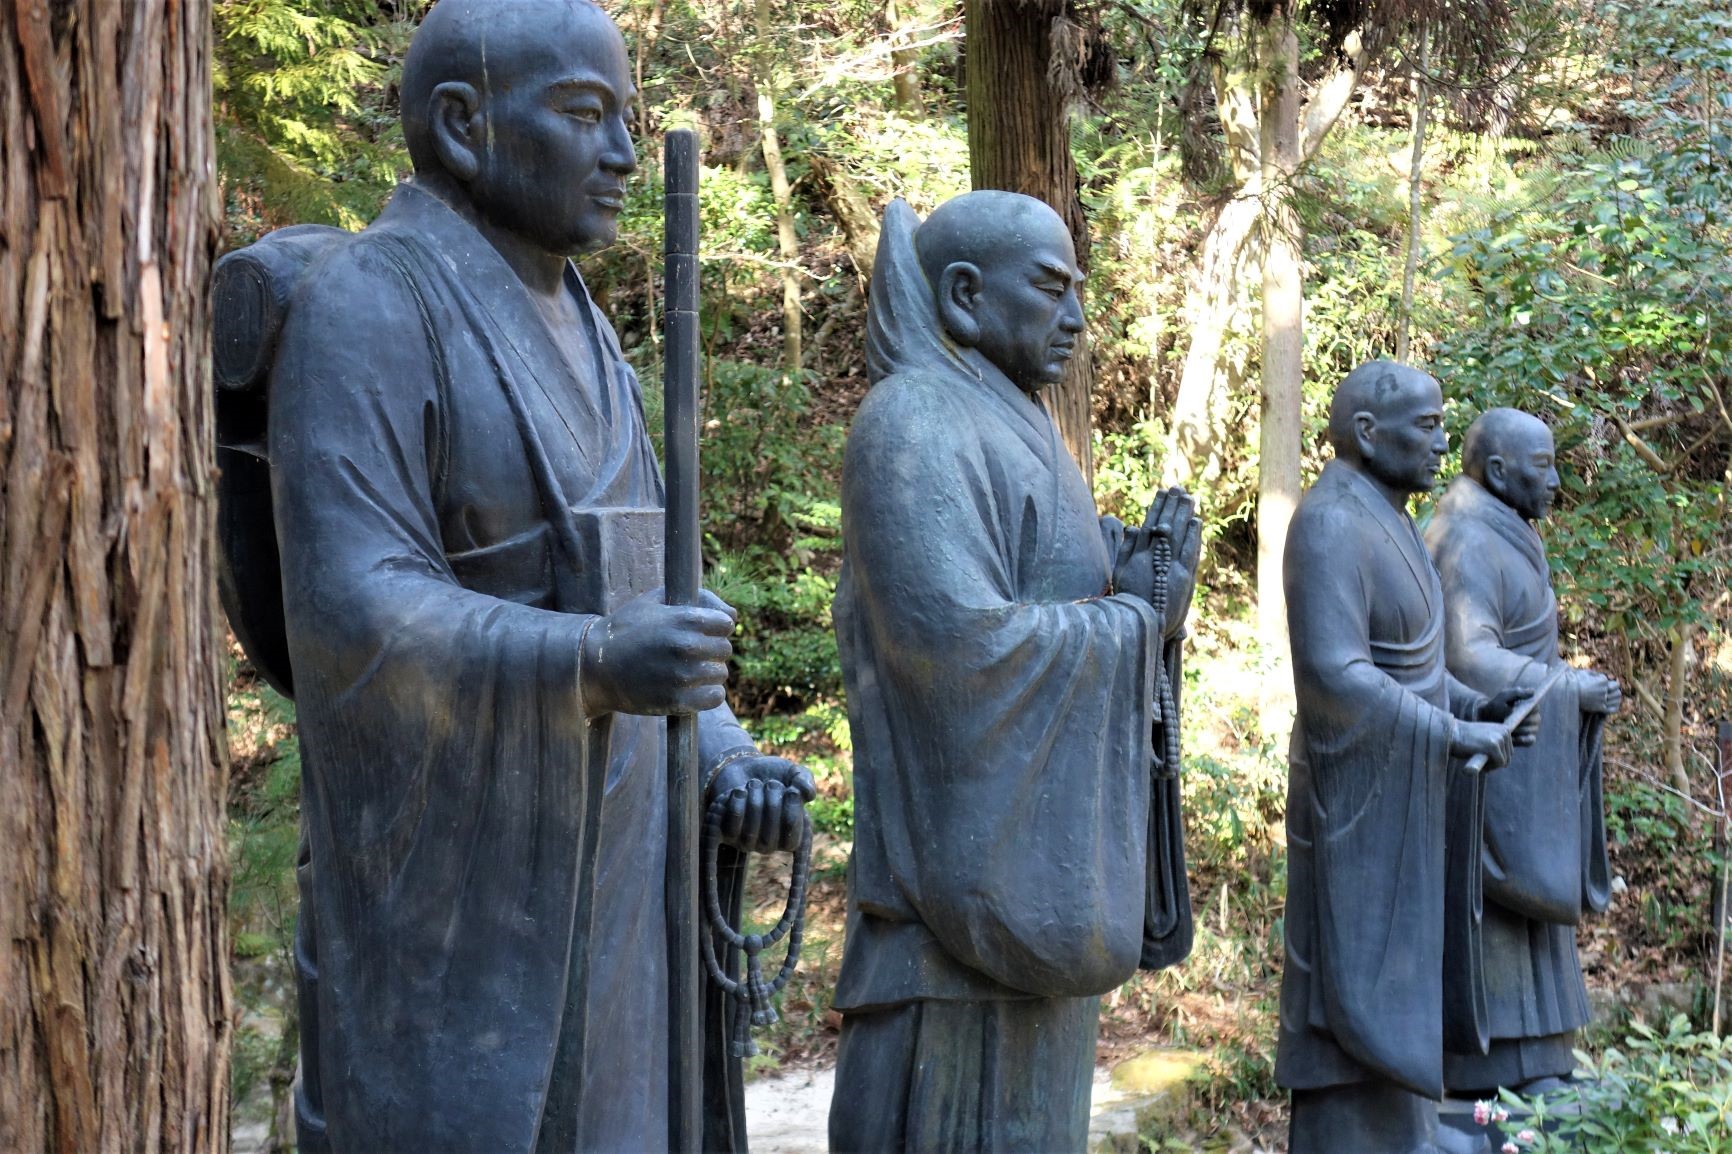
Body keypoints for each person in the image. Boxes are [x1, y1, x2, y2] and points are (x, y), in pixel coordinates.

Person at [241, 2, 812, 1149]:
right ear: (463, 125)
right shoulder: (371, 302)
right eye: (585, 115)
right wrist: (591, 662)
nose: (621, 155)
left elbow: (646, 599)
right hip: (463, 904)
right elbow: (353, 609)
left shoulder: (588, 330)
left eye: (629, 121)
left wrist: (722, 755)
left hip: (623, 879)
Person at [827, 191, 1200, 1153]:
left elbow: (1063, 612)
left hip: (1030, 938)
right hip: (941, 946)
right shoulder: (911, 421)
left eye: (1079, 291)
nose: (1075, 317)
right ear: (964, 296)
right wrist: (1133, 620)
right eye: (1049, 288)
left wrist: (1139, 595)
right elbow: (957, 654)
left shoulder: (1023, 427)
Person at [1275, 361, 1537, 1154]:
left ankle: (1406, 1129)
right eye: (1426, 426)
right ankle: (1349, 1137)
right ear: (1366, 432)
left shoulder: (1389, 518)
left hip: (1406, 788)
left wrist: (1473, 707)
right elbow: (1337, 674)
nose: (1442, 444)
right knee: (1349, 979)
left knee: (1408, 972)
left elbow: (1415, 668)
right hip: (1354, 792)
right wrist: (1450, 734)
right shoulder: (1329, 523)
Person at [1424, 408, 1619, 1098]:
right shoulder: (1465, 538)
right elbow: (1468, 657)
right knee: (1497, 918)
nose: (1557, 480)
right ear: (1500, 472)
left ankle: (1541, 1058)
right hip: (1491, 753)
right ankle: (1490, 1070)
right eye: (1543, 467)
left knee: (1533, 920)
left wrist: (1565, 688)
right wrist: (1564, 687)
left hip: (1529, 758)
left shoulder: (1507, 529)